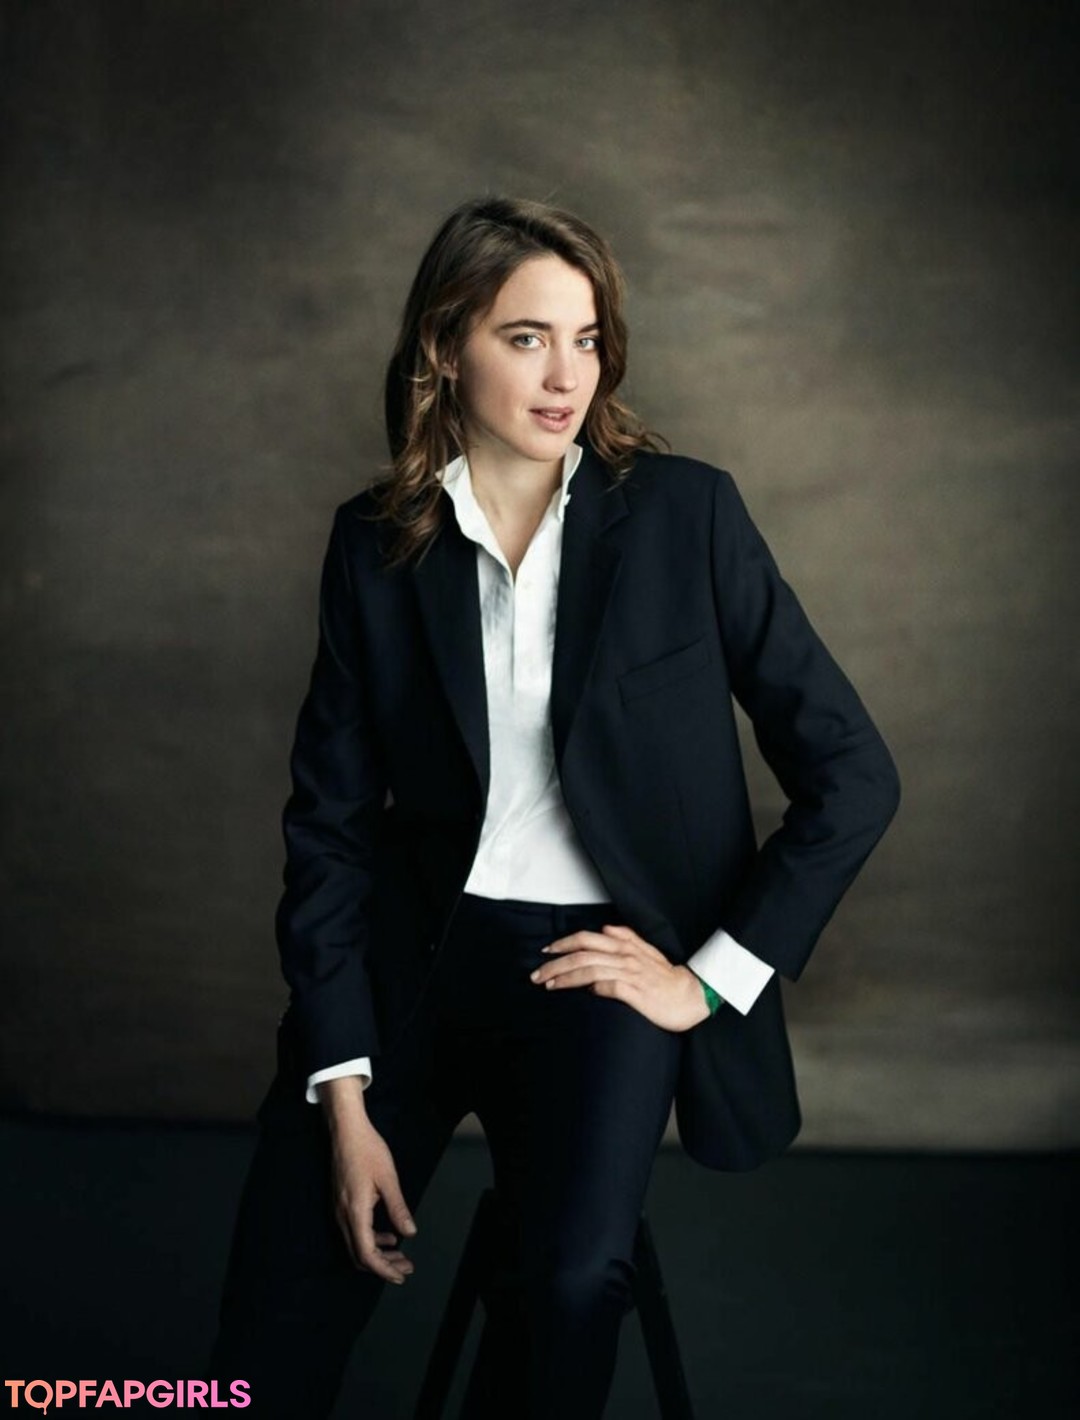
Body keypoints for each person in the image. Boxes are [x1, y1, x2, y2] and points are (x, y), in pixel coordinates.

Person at [207, 195, 900, 1418]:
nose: (567, 375)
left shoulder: (686, 516)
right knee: (271, 1315)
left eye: (586, 339)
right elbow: (329, 827)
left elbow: (854, 773)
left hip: (595, 971)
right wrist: (343, 1093)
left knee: (570, 1288)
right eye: (526, 337)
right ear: (443, 345)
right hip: (414, 961)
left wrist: (707, 979)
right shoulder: (376, 545)